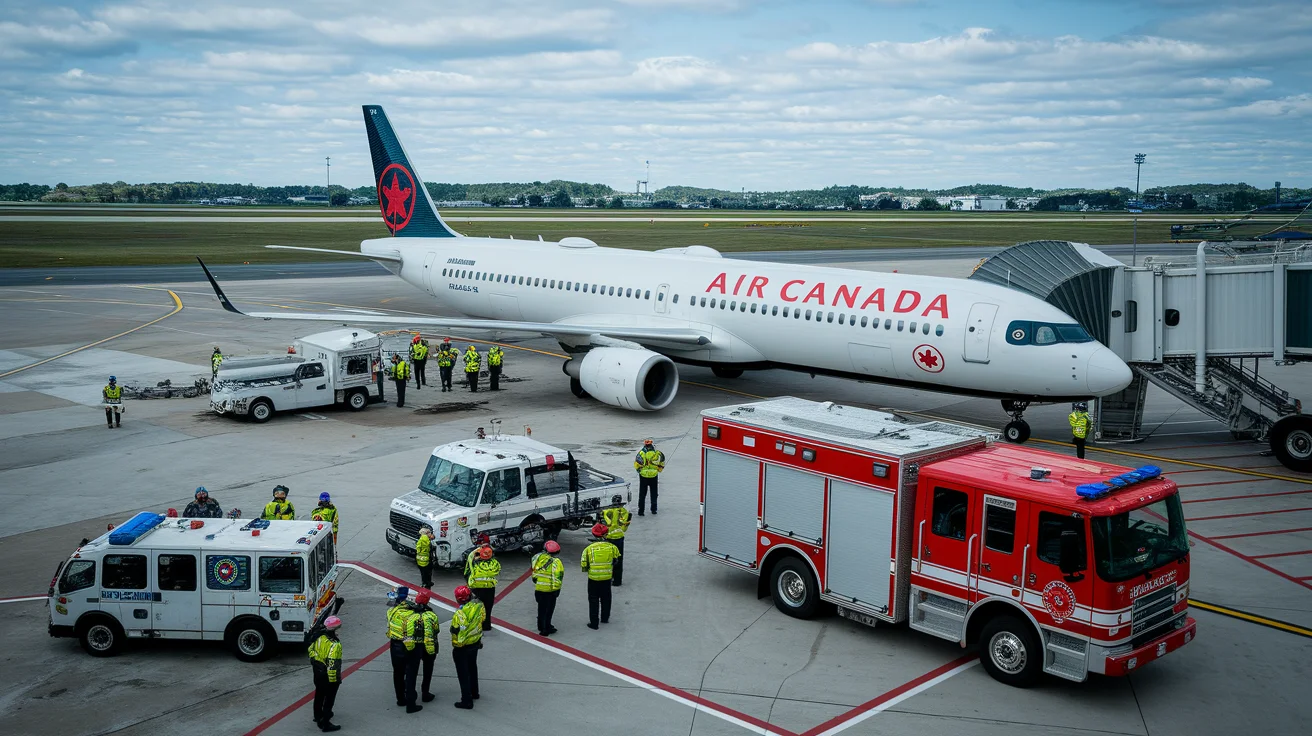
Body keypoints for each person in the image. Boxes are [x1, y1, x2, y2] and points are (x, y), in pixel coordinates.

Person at [386, 587, 423, 713]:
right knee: (411, 674)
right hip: (409, 646)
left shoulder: (391, 612)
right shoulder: (414, 616)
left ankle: (400, 698)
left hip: (395, 645)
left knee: (398, 673)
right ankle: (411, 703)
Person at [450, 585, 485, 710]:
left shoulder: (459, 614)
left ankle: (466, 700)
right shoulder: (478, 606)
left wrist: (456, 647)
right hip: (475, 643)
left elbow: (456, 633)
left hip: (462, 647)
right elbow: (483, 618)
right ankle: (475, 692)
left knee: (463, 673)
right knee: (472, 668)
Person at [581, 523, 621, 630]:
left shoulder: (588, 549)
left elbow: (584, 565)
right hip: (607, 579)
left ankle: (594, 623)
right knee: (606, 598)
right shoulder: (613, 548)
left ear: (594, 534)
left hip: (593, 579)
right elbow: (616, 561)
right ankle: (605, 618)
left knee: (593, 600)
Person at [307, 615, 343, 732]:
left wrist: (317, 662)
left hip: (317, 672)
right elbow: (333, 665)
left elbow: (311, 650)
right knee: (329, 699)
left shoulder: (319, 637)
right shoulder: (335, 645)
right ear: (334, 630)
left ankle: (317, 716)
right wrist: (334, 681)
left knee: (319, 694)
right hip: (328, 676)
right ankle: (326, 723)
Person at [531, 540, 564, 636]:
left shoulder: (537, 558)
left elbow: (534, 572)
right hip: (550, 590)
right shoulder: (556, 562)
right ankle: (546, 628)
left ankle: (540, 626)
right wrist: (557, 590)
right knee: (549, 610)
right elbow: (558, 576)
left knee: (541, 608)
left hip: (539, 588)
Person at [413, 591, 441, 703]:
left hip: (414, 645)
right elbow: (436, 630)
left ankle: (410, 690)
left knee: (412, 670)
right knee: (428, 670)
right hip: (429, 646)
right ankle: (425, 692)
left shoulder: (411, 614)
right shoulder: (431, 615)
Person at [465, 543, 500, 631]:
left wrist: (479, 549)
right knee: (488, 607)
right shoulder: (494, 564)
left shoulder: (475, 564)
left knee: (476, 607)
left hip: (476, 588)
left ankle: (477, 625)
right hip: (490, 588)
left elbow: (469, 558)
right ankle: (487, 625)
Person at [601, 505, 632, 586]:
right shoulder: (624, 511)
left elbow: (602, 524)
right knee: (619, 560)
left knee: (608, 559)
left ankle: (608, 578)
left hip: (608, 538)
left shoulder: (606, 511)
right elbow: (625, 527)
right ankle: (617, 581)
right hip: (619, 538)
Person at [634, 439, 666, 516]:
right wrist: (658, 469)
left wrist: (640, 471)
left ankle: (641, 511)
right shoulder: (657, 453)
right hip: (654, 476)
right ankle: (654, 510)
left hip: (643, 476)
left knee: (642, 494)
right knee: (654, 493)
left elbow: (636, 463)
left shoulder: (641, 453)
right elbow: (662, 461)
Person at [415, 525, 434, 590]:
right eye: (429, 532)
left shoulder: (420, 540)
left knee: (423, 573)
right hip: (426, 559)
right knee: (428, 572)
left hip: (420, 559)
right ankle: (427, 583)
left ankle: (425, 582)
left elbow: (417, 549)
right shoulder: (427, 541)